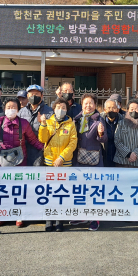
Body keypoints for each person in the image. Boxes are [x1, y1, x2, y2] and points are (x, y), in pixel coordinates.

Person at [0, 98, 44, 228]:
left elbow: (32, 140)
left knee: (19, 189)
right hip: (1, 161)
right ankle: (2, 216)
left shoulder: (24, 123)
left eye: (13, 107)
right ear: (4, 109)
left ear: (18, 109)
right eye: (8, 107)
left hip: (20, 161)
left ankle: (19, 215)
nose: (11, 109)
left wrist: (44, 148)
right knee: (3, 189)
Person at [38, 97, 78, 232]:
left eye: (64, 108)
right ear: (54, 108)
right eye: (58, 107)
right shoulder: (48, 122)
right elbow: (42, 139)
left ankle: (59, 220)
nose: (60, 110)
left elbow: (73, 143)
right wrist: (43, 125)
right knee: (50, 192)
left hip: (65, 163)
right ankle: (49, 220)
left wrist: (61, 157)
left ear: (67, 110)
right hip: (49, 163)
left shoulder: (70, 124)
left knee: (62, 192)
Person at [72, 93, 107, 231]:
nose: (88, 105)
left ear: (95, 105)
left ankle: (95, 218)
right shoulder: (77, 119)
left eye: (91, 103)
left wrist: (101, 134)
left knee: (94, 190)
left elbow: (104, 140)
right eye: (85, 103)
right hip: (79, 160)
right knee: (80, 189)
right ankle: (81, 215)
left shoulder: (99, 120)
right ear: (82, 104)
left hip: (94, 160)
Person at [18, 84, 54, 166]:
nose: (34, 96)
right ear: (27, 96)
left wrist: (43, 123)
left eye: (36, 94)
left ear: (42, 96)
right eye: (31, 94)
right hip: (23, 150)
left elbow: (52, 133)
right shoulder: (21, 112)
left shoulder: (49, 112)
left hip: (40, 152)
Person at [113, 99, 138, 167]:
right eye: (132, 109)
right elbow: (117, 140)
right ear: (128, 110)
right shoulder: (121, 123)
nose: (134, 111)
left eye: (136, 109)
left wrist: (136, 154)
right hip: (121, 161)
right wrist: (128, 154)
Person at [101, 98, 122, 167]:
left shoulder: (123, 122)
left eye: (114, 108)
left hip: (118, 157)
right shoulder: (100, 121)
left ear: (118, 110)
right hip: (103, 156)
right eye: (109, 108)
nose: (111, 110)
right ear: (105, 110)